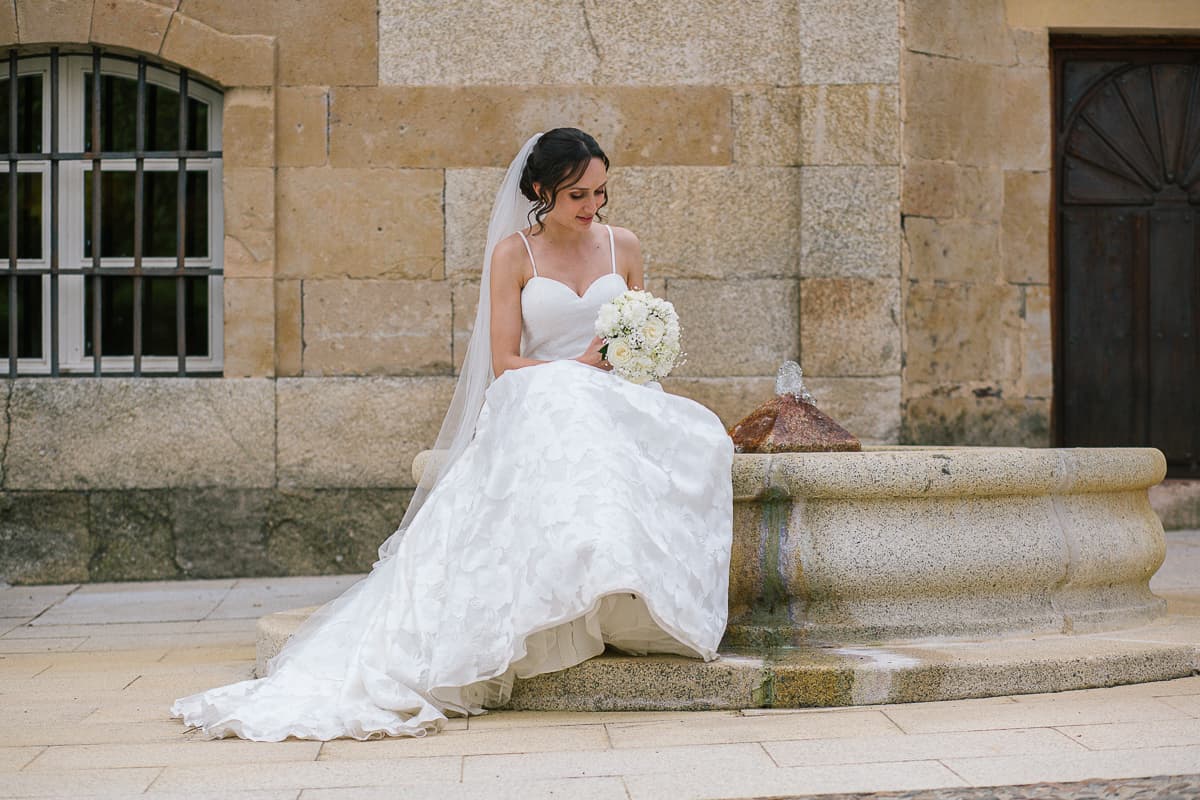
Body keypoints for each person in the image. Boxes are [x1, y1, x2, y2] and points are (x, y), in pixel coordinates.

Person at [171, 128, 734, 740]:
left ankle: (634, 593)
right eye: (576, 195)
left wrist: (632, 357)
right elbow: (504, 362)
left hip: (612, 396)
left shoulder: (623, 246)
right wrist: (576, 369)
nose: (592, 206)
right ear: (542, 190)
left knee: (701, 432)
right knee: (560, 397)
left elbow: (637, 341)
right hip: (540, 392)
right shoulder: (514, 255)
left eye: (600, 192)